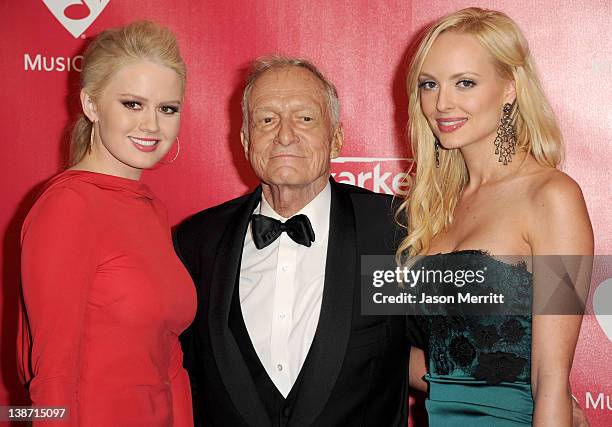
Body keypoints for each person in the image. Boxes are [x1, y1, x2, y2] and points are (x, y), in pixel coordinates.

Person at [174, 56, 425, 426]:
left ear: (336, 139)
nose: (285, 134)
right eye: (266, 119)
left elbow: (460, 354)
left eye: (305, 118)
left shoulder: (394, 231)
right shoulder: (198, 241)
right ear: (245, 141)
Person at [397, 7, 593, 426]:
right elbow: (444, 355)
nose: (442, 103)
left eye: (464, 83)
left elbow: (550, 380)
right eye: (429, 84)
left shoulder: (551, 196)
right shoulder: (433, 206)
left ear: (509, 88)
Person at [18, 21, 195, 426]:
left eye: (167, 108)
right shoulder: (68, 206)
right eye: (133, 104)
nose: (152, 124)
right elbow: (52, 377)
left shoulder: (150, 208)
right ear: (91, 105)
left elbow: (169, 362)